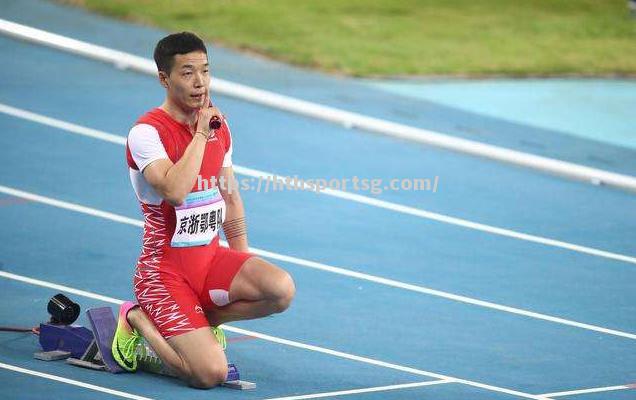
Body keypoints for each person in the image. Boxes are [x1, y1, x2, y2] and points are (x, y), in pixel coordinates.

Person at [113, 32, 295, 389]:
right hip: (163, 273)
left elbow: (229, 197)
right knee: (209, 374)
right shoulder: (146, 133)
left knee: (280, 290)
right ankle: (136, 319)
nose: (200, 83)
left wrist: (243, 262)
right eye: (187, 73)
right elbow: (176, 192)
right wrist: (199, 135)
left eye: (205, 71)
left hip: (209, 260)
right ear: (164, 79)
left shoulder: (220, 127)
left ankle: (203, 321)